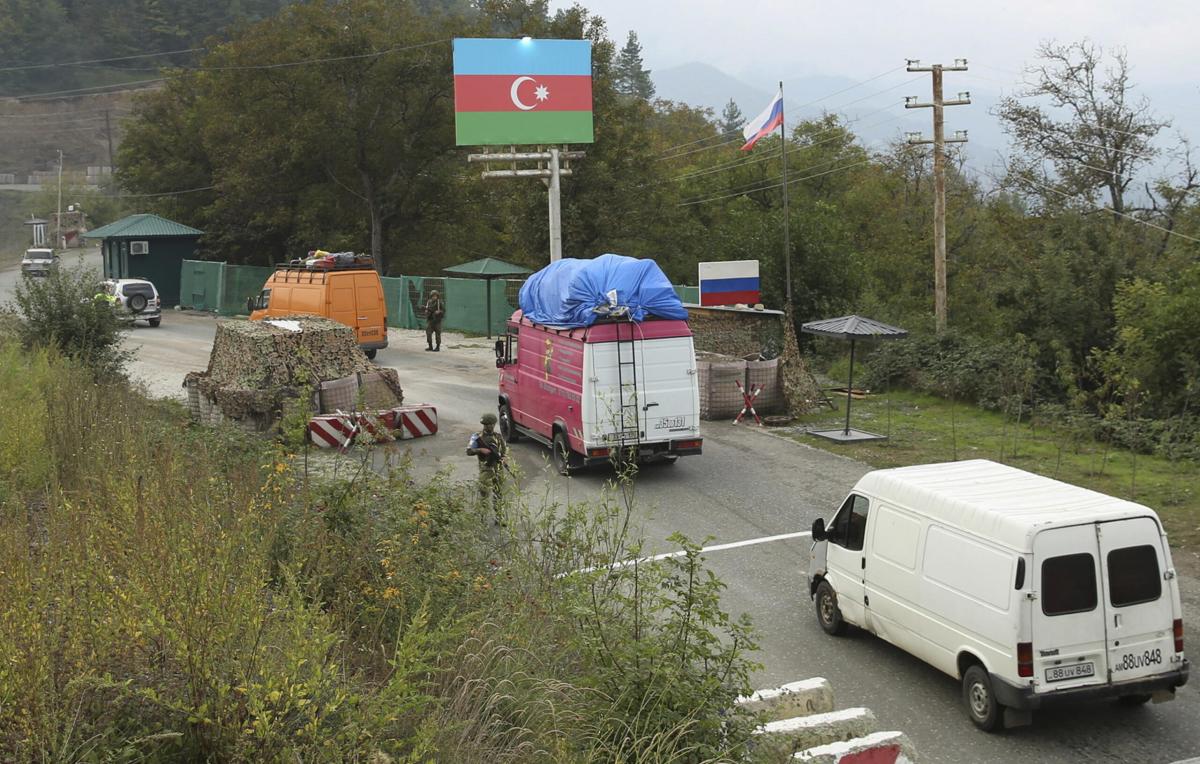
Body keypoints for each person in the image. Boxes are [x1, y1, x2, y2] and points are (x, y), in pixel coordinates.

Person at [467, 412, 508, 524]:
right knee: (484, 494)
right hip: (486, 469)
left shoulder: (498, 437)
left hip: (498, 470)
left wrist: (504, 458)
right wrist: (480, 450)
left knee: (498, 494)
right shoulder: (477, 437)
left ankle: (499, 517)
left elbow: (503, 451)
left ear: (494, 424)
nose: (488, 426)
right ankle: (483, 518)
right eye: (486, 424)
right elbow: (469, 451)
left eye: (490, 424)